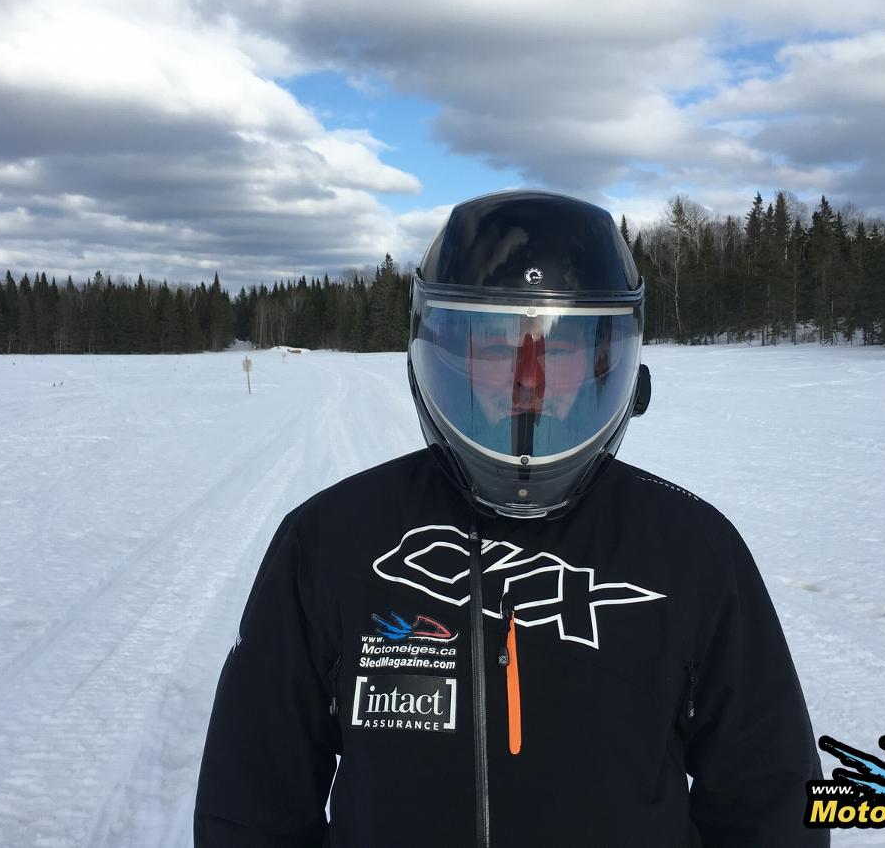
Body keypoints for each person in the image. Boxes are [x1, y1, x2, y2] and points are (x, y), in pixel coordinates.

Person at [194, 190, 827, 847]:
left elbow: (771, 804)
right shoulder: (329, 542)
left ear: (616, 363)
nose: (529, 381)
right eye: (494, 346)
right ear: (435, 352)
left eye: (563, 346)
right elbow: (252, 803)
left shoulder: (692, 550)